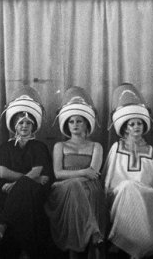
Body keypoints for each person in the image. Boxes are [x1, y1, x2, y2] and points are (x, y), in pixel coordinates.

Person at [0, 86, 54, 258]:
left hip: (35, 189)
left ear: (33, 126)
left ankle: (2, 225)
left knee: (29, 197)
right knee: (25, 202)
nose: (24, 126)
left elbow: (37, 171)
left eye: (28, 123)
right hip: (13, 187)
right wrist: (22, 183)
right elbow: (3, 173)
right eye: (21, 123)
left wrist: (17, 184)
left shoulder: (39, 146)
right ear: (14, 126)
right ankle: (26, 250)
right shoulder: (6, 146)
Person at [103, 83, 153, 258]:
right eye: (132, 124)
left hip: (147, 194)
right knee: (127, 187)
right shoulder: (116, 147)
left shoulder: (151, 150)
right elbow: (109, 179)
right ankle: (132, 247)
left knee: (131, 187)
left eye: (139, 124)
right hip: (120, 194)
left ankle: (127, 243)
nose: (136, 127)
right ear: (125, 127)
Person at [45, 86, 106, 258]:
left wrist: (84, 173)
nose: (75, 125)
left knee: (78, 188)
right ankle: (93, 231)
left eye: (79, 121)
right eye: (71, 121)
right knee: (73, 186)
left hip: (89, 186)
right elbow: (58, 173)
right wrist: (83, 172)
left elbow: (94, 173)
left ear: (86, 123)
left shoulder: (96, 146)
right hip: (63, 187)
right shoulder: (60, 146)